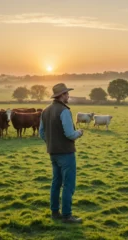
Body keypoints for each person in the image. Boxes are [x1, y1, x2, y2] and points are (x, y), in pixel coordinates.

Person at [39, 83, 84, 223]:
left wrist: (51, 142)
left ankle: (54, 212)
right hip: (66, 153)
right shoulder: (64, 111)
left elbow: (41, 133)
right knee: (68, 184)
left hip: (53, 152)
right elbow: (70, 134)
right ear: (62, 95)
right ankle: (67, 215)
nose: (68, 96)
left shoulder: (45, 111)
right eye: (66, 93)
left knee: (56, 182)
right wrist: (79, 133)